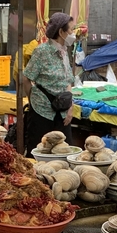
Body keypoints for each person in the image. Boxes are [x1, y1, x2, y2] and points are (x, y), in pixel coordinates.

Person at [22, 13, 76, 154]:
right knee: (39, 150)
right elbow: (26, 78)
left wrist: (70, 107)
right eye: (71, 30)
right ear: (61, 32)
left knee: (65, 151)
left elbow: (68, 81)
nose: (73, 33)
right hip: (42, 111)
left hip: (62, 111)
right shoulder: (42, 52)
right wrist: (33, 101)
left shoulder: (64, 52)